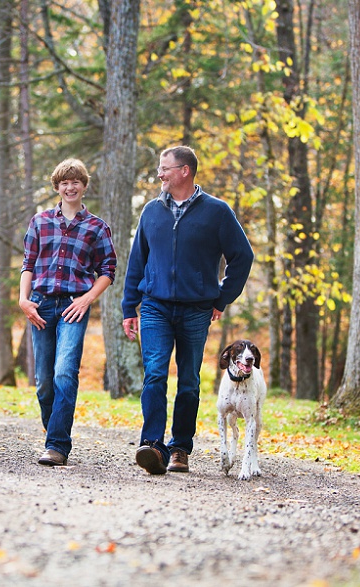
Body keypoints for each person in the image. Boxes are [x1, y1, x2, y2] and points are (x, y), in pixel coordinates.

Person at [122, 146, 253, 475]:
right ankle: (152, 444)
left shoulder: (217, 212)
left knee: (190, 381)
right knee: (154, 374)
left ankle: (180, 447)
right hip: (155, 306)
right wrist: (129, 306)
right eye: (159, 168)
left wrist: (221, 298)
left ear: (185, 171)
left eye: (165, 168)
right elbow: (137, 261)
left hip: (197, 310)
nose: (160, 174)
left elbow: (242, 257)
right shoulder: (151, 211)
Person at [19, 158, 116, 466]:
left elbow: (108, 270)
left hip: (75, 306)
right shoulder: (40, 221)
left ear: (84, 186)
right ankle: (54, 428)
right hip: (41, 305)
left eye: (76, 182)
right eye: (64, 183)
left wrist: (87, 299)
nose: (70, 187)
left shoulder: (97, 227)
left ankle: (57, 445)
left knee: (64, 372)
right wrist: (23, 300)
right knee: (44, 381)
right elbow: (28, 265)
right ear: (57, 187)